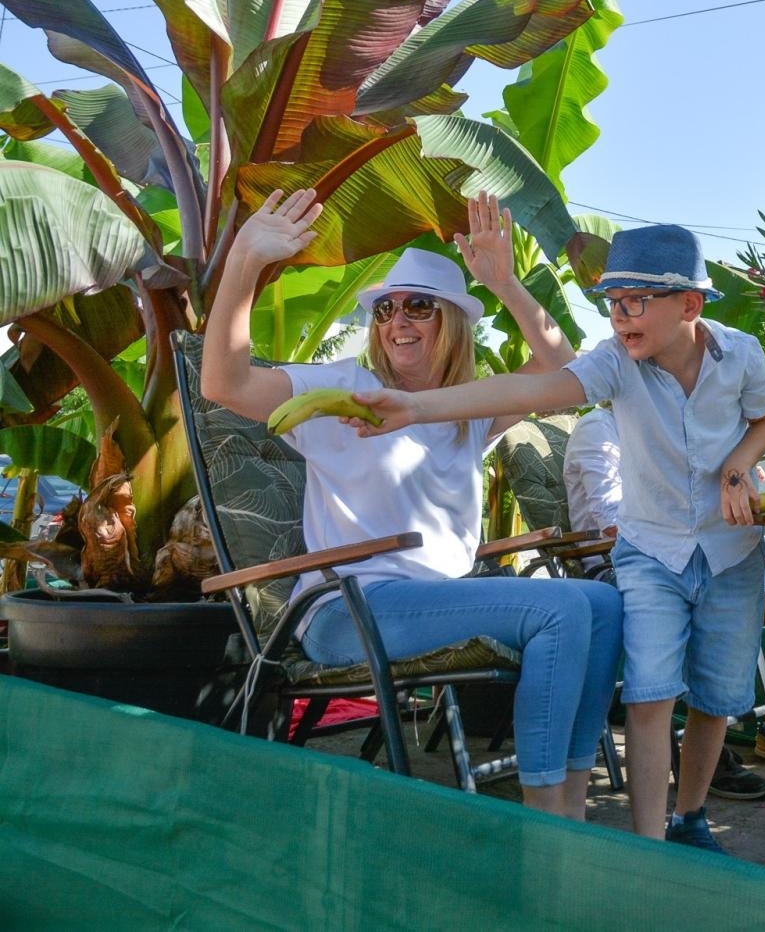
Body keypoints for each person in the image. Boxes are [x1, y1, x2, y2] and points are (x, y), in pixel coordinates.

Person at [349, 224, 765, 856]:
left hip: (733, 549)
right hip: (650, 552)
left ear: (688, 306)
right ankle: (647, 846)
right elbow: (531, 386)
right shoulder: (614, 362)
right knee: (650, 693)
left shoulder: (742, 355)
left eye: (635, 300)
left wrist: (738, 468)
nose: (620, 315)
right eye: (612, 302)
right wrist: (418, 407)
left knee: (716, 697)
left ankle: (689, 818)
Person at [202, 189, 624, 822]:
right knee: (563, 606)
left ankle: (569, 801)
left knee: (605, 601)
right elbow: (224, 385)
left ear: (451, 321)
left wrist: (505, 281)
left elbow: (565, 373)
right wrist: (243, 265)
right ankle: (549, 820)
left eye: (418, 307)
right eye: (386, 309)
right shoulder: (342, 390)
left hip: (436, 600)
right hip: (352, 610)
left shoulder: (464, 408)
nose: (397, 320)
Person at [561, 406, 765, 802]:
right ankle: (698, 752)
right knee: (699, 593)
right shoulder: (601, 429)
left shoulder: (667, 425)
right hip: (620, 567)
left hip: (695, 555)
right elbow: (613, 521)